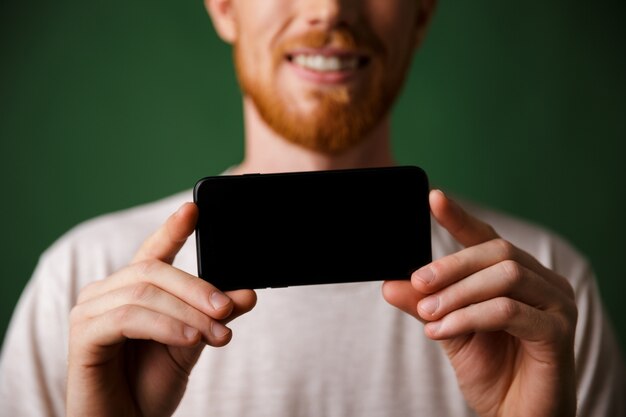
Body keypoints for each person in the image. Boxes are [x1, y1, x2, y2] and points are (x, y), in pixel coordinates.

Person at [1, 0, 624, 415]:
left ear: (422, 11)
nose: (329, 7)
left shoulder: (539, 297)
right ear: (224, 5)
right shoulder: (84, 285)